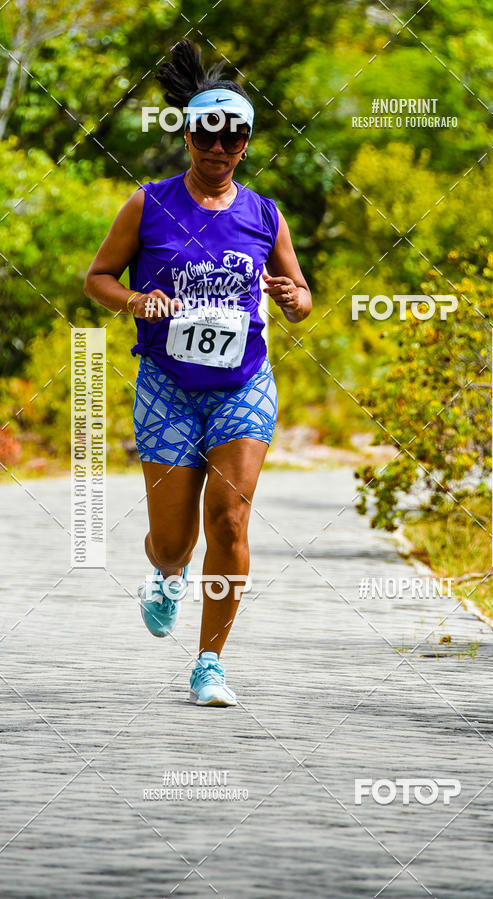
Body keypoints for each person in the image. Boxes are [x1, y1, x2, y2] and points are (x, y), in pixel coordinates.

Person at [84, 39, 312, 707]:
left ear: (245, 145)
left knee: (232, 523)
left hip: (243, 384)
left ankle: (210, 661)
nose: (217, 150)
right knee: (175, 538)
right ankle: (165, 571)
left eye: (232, 139)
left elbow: (299, 298)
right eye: (206, 137)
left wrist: (295, 299)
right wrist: (135, 299)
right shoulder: (147, 204)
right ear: (188, 136)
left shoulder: (264, 215)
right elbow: (97, 278)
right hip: (166, 387)